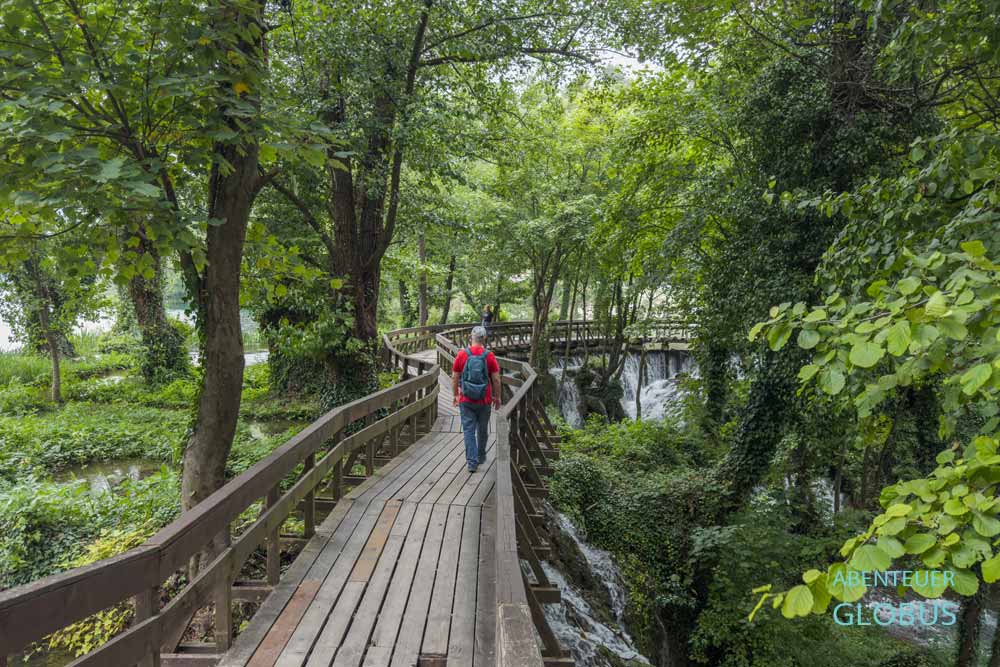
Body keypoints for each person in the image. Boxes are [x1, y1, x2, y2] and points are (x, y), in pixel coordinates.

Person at [452, 325, 501, 472]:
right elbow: (496, 379)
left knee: (468, 430)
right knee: (482, 429)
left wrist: (455, 395)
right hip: (484, 400)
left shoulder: (462, 354)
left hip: (466, 400)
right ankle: (480, 457)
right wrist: (497, 397)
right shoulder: (489, 355)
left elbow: (455, 377)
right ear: (484, 338)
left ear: (470, 338)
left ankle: (471, 463)